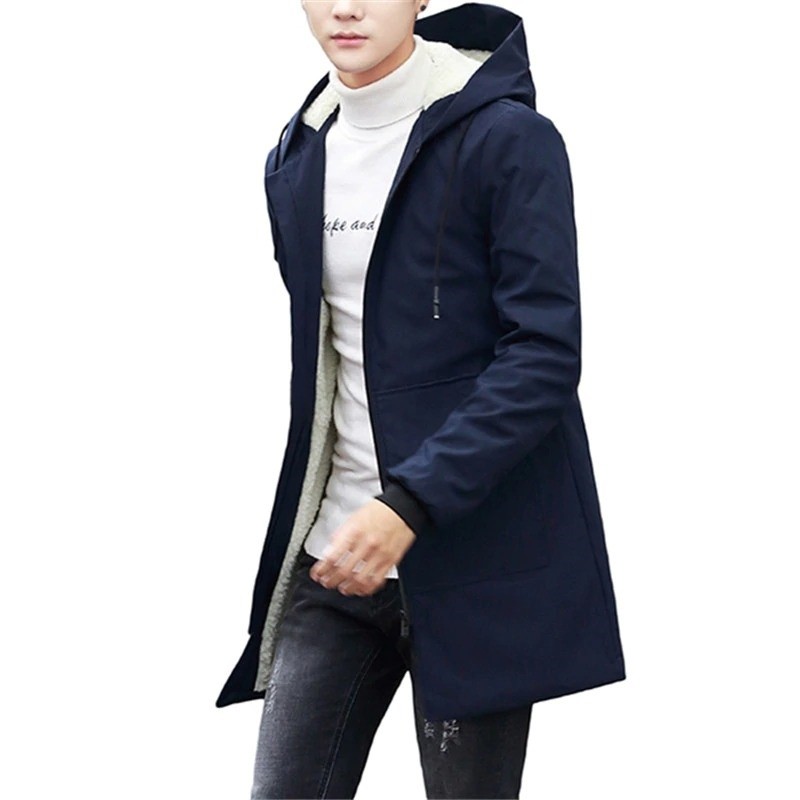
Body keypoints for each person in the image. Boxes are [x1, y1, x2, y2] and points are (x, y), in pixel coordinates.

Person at [216, 2, 627, 798]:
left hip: (473, 562)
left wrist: (410, 502)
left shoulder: (508, 139)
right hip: (338, 559)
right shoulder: (296, 156)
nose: (346, 7)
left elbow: (544, 354)